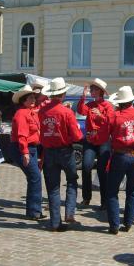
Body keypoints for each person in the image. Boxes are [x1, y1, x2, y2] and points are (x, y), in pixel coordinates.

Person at [39, 77, 83, 231]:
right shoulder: (67, 112)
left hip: (49, 151)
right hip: (65, 151)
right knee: (72, 180)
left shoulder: (42, 111)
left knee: (53, 188)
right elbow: (77, 136)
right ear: (63, 93)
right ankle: (69, 213)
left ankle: (55, 222)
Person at [106, 86, 134, 234]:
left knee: (112, 191)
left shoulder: (115, 116)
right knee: (132, 190)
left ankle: (114, 225)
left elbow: (106, 133)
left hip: (120, 155)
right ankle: (128, 222)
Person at [77, 78, 114, 210]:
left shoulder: (108, 106)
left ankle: (105, 201)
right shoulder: (90, 104)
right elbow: (81, 110)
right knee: (86, 167)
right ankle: (86, 198)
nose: (91, 90)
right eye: (91, 89)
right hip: (90, 140)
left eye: (93, 89)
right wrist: (83, 96)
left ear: (100, 91)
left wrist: (100, 116)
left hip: (103, 141)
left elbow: (111, 121)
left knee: (102, 171)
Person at [10, 85, 45, 220]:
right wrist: (24, 152)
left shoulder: (30, 112)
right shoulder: (22, 113)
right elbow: (22, 135)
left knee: (34, 178)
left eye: (33, 97)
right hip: (23, 148)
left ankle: (34, 210)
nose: (33, 99)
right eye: (30, 97)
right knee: (35, 177)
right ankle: (34, 211)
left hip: (31, 148)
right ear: (23, 100)